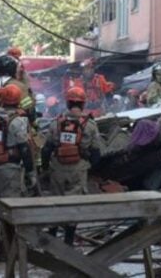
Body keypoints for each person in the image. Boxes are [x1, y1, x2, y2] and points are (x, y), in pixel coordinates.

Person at [0, 84, 36, 258]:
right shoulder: (18, 121)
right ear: (18, 100)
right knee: (10, 209)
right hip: (10, 170)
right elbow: (24, 149)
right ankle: (8, 249)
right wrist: (30, 172)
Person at [40, 87, 102, 245]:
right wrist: (92, 168)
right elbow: (96, 152)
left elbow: (46, 148)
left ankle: (52, 240)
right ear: (83, 104)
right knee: (73, 204)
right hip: (78, 168)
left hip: (58, 168)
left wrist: (45, 168)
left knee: (56, 202)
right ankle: (68, 242)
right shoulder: (90, 125)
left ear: (67, 103)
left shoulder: (56, 123)